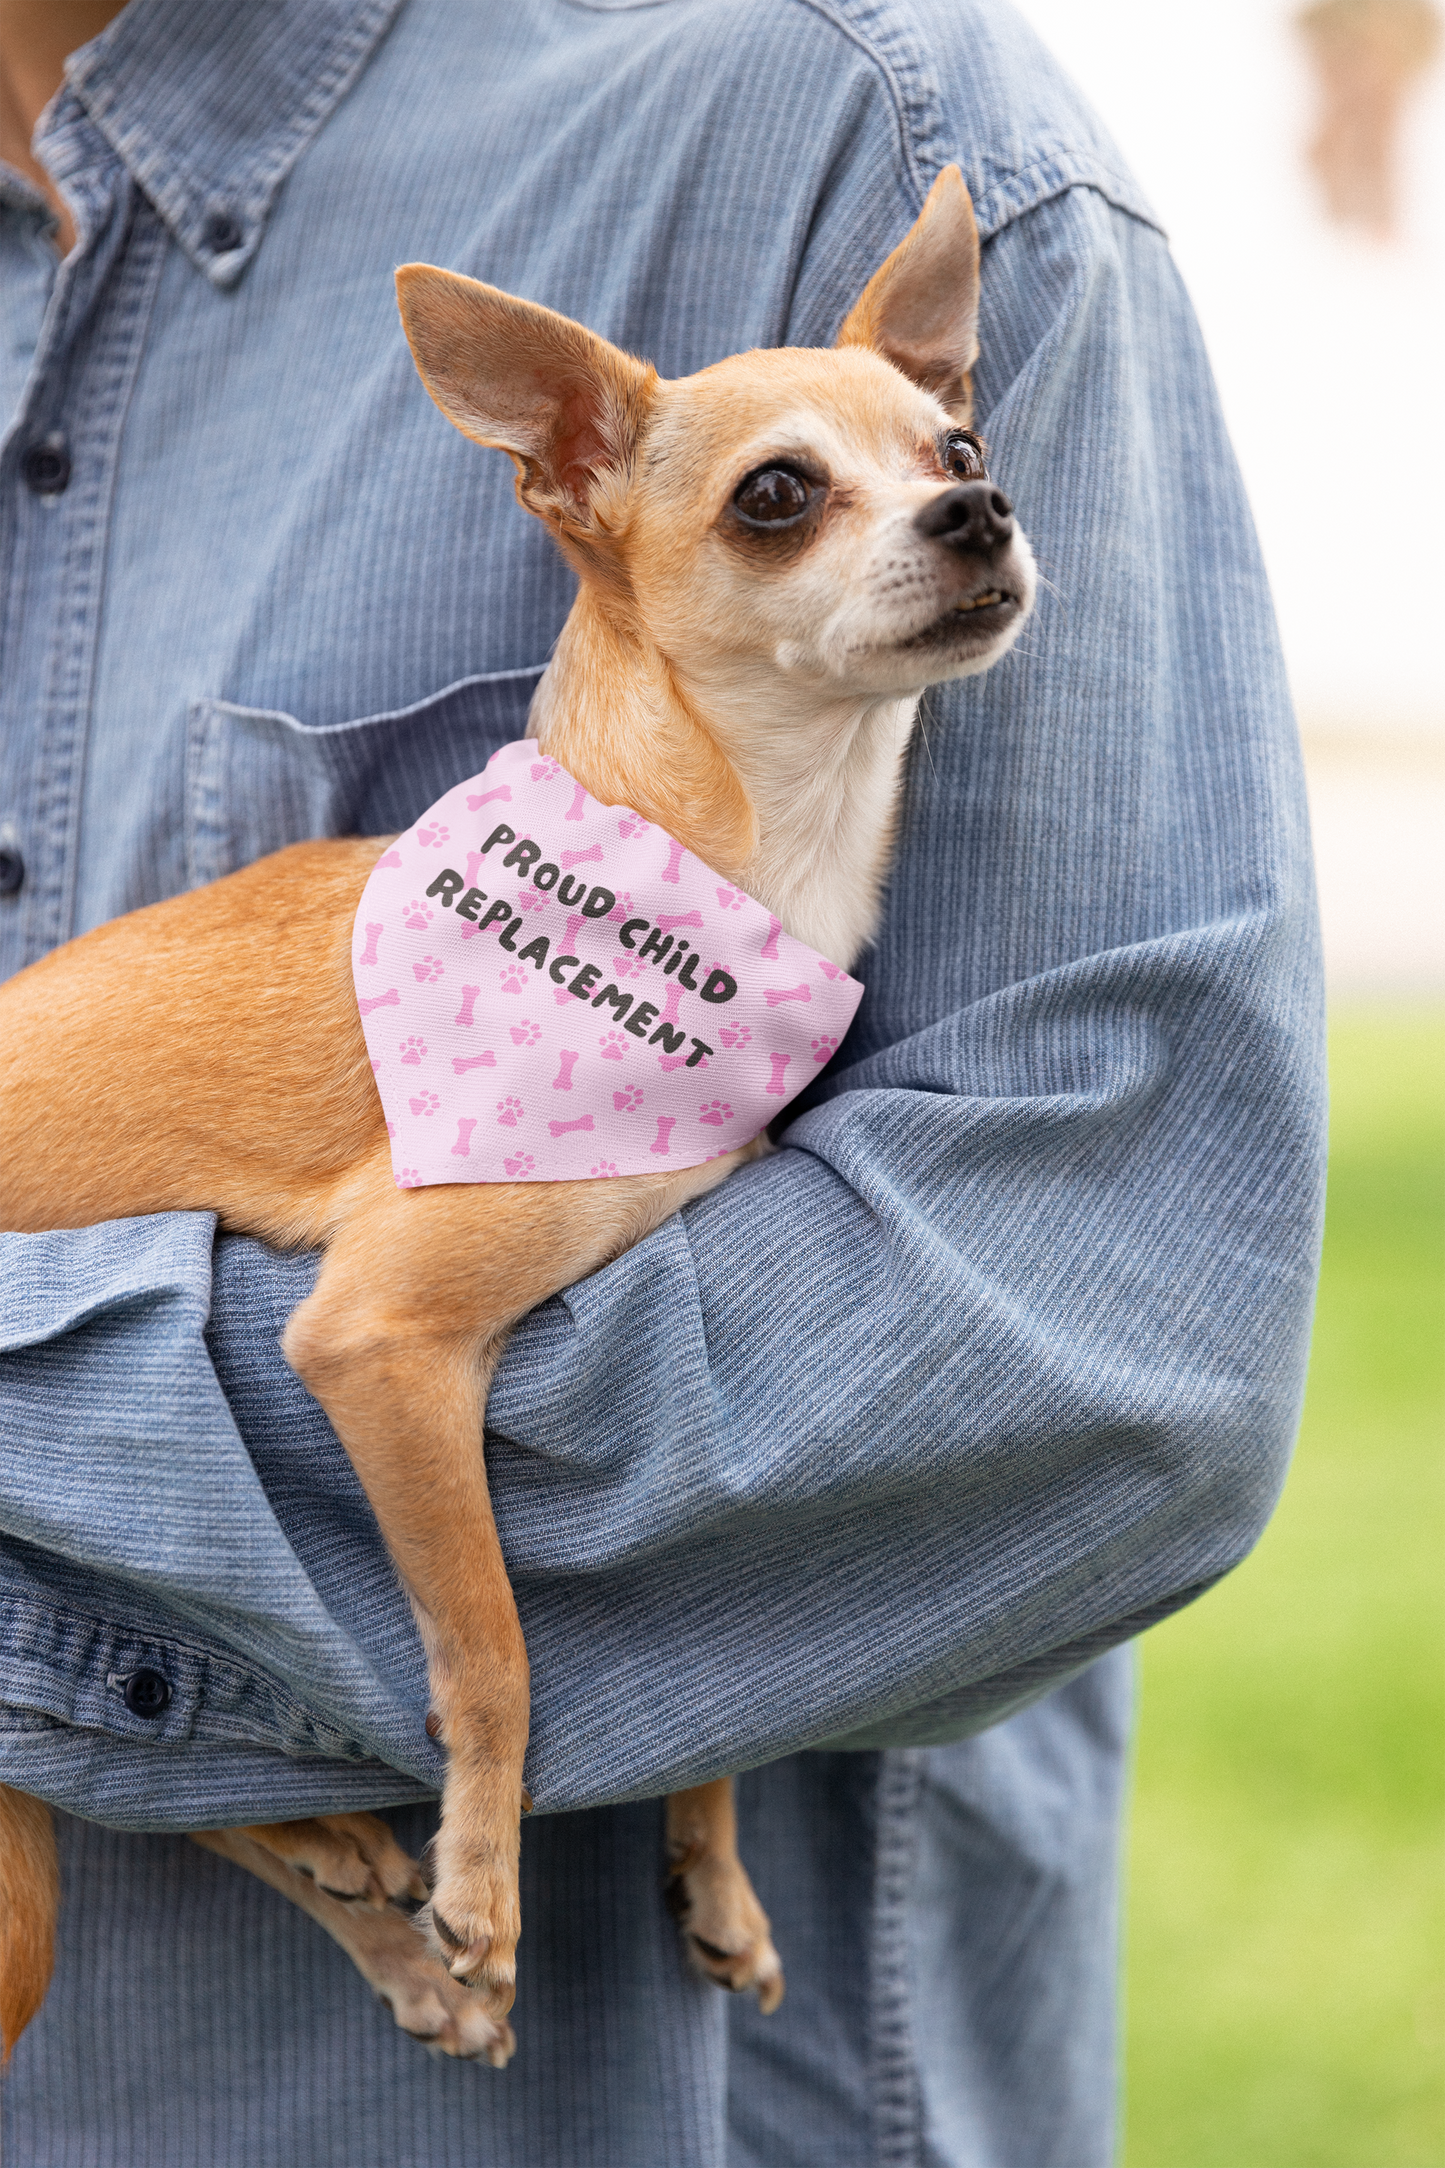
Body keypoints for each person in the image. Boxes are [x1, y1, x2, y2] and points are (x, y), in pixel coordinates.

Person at [0, 0, 1325, 2161]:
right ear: (567, 477)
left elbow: (1100, 1348)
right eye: (787, 503)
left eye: (949, 466)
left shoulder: (854, 118)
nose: (949, 521)